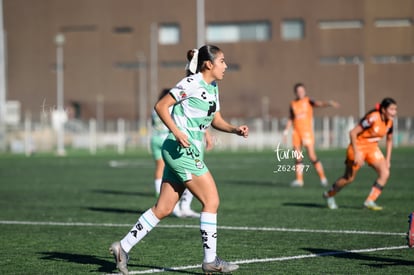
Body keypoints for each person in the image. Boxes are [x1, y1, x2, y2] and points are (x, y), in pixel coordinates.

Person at [110, 44, 249, 275]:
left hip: (185, 150)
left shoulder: (213, 87)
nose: (226, 65)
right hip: (181, 150)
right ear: (208, 64)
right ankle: (210, 261)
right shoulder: (191, 83)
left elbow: (216, 120)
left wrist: (234, 129)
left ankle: (122, 248)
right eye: (222, 61)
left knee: (163, 208)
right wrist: (176, 131)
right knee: (211, 200)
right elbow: (161, 106)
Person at [323, 97, 397, 210]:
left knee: (385, 173)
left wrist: (388, 160)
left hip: (372, 148)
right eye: (391, 109)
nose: (394, 112)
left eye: (395, 109)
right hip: (357, 146)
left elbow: (390, 140)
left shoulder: (390, 123)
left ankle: (369, 201)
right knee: (349, 178)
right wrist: (357, 153)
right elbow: (352, 133)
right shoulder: (373, 118)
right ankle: (329, 195)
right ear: (383, 110)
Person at [150, 88, 213, 218]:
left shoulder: (154, 110)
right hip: (174, 139)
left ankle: (161, 195)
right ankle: (182, 206)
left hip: (155, 138)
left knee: (161, 168)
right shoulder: (172, 105)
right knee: (191, 175)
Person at [282, 83, 339, 187]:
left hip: (307, 132)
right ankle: (299, 180)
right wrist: (286, 131)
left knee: (312, 156)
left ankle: (323, 178)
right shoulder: (293, 104)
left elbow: (319, 103)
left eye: (302, 90)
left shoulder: (308, 100)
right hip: (296, 133)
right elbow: (291, 117)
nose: (300, 92)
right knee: (297, 157)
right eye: (298, 91)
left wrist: (329, 103)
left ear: (305, 91)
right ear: (295, 92)